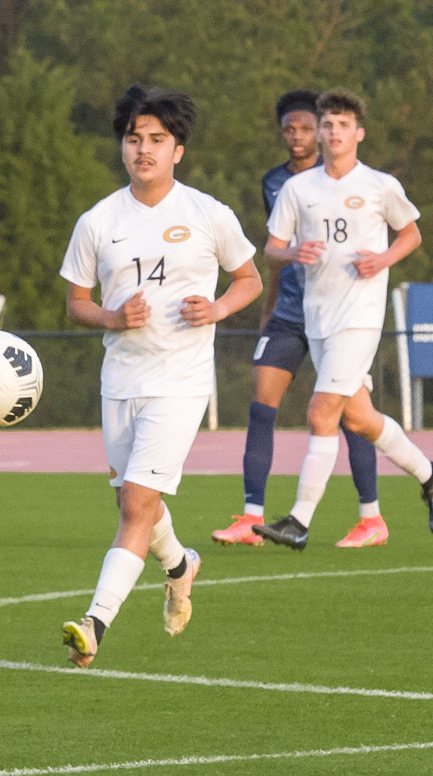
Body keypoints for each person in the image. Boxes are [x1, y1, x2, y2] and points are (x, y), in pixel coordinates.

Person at [58, 86, 262, 668]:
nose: (143, 150)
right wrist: (113, 316)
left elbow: (249, 279)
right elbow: (77, 302)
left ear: (178, 150)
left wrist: (218, 308)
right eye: (133, 139)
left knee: (136, 505)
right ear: (122, 147)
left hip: (182, 381)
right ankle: (179, 565)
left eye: (156, 140)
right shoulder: (98, 221)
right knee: (134, 501)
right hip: (120, 379)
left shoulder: (207, 213)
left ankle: (94, 624)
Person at [252, 89, 432, 551]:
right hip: (317, 318)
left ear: (359, 134)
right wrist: (293, 252)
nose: (334, 133)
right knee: (362, 418)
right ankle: (430, 478)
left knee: (320, 411)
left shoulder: (378, 185)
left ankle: (298, 520)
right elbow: (272, 250)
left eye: (343, 125)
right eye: (328, 124)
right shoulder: (297, 189)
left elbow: (410, 233)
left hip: (360, 316)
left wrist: (383, 259)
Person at [213, 90, 389, 548]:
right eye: (290, 129)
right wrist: (269, 307)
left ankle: (370, 517)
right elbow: (278, 249)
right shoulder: (276, 182)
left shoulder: (344, 181)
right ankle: (251, 516)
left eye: (307, 128)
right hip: (291, 313)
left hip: (340, 314)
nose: (298, 136)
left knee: (352, 415)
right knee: (261, 401)